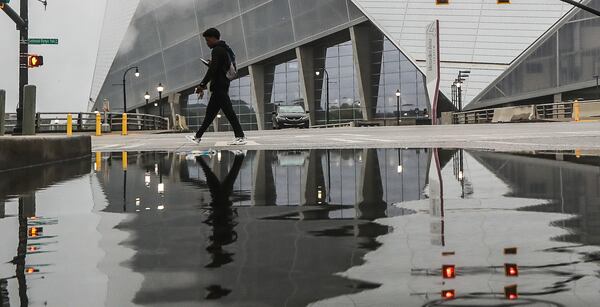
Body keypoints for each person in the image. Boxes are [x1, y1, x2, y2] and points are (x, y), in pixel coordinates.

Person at [193, 28, 246, 145]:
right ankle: (197, 136)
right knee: (210, 113)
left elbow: (214, 69)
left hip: (219, 85)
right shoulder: (224, 49)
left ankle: (240, 136)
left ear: (213, 38)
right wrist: (212, 64)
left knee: (229, 112)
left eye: (207, 40)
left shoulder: (217, 50)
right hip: (221, 84)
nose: (207, 43)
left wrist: (202, 84)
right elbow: (220, 66)